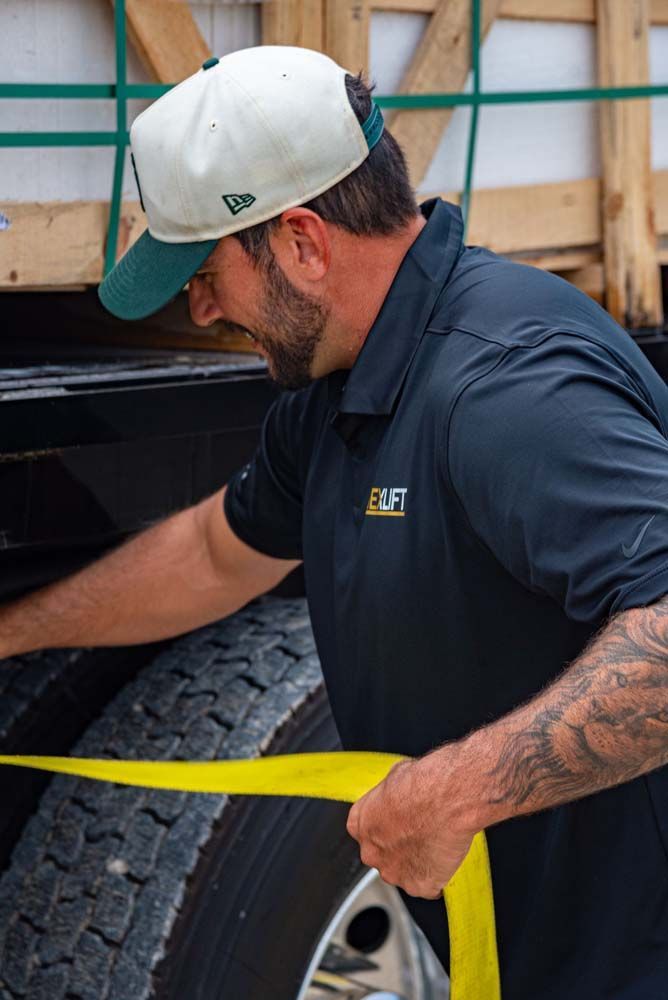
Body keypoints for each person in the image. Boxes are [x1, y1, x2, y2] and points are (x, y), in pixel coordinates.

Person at [4, 44, 668, 998]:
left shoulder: (506, 384)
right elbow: (211, 553)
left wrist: (459, 789)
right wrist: (10, 633)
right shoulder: (335, 393)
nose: (196, 306)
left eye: (204, 267)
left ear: (305, 244)